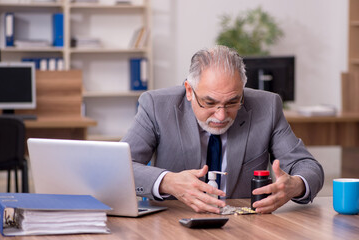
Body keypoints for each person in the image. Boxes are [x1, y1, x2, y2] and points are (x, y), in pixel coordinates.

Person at [122, 45, 324, 214]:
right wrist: (167, 181)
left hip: (245, 226)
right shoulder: (157, 106)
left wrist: (295, 185)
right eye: (209, 103)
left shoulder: (267, 106)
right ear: (190, 91)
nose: (221, 115)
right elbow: (121, 166)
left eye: (232, 102)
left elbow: (308, 166)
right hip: (174, 222)